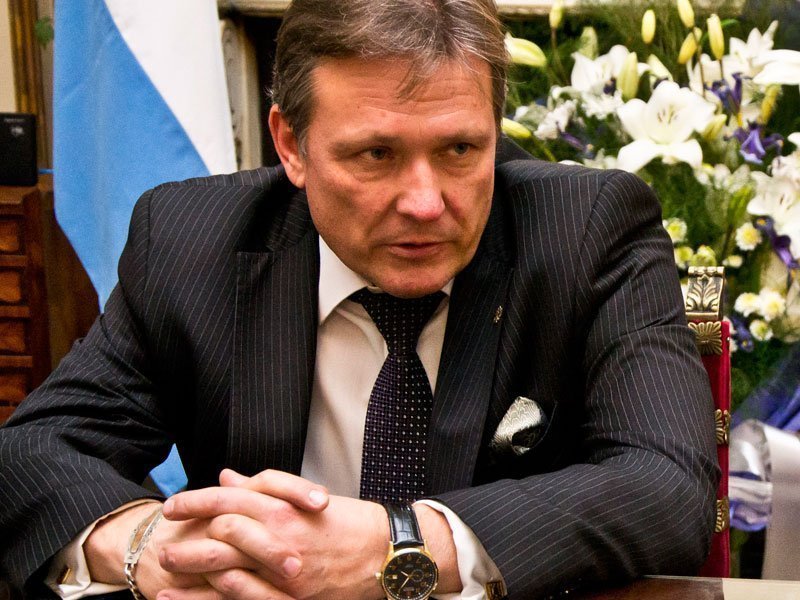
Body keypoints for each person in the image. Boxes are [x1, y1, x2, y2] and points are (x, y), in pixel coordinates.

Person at [0, 0, 719, 598]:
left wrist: (396, 544)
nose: (425, 202)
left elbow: (666, 486)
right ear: (291, 144)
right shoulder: (192, 240)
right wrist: (150, 548)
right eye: (376, 154)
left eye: (460, 150)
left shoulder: (587, 232)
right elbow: (29, 451)